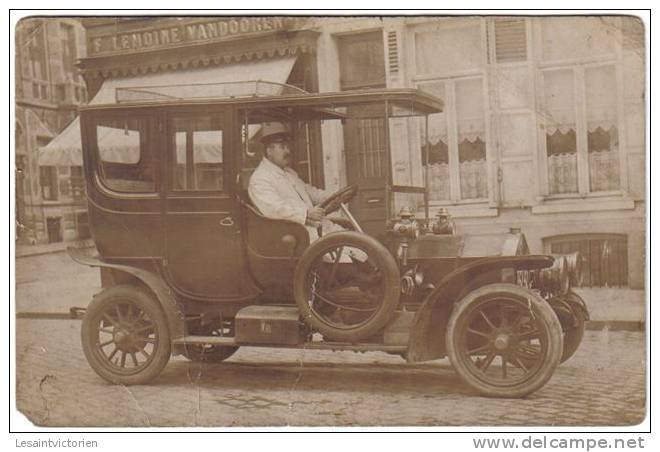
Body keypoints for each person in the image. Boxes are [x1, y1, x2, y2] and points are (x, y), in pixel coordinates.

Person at [248, 122, 346, 243]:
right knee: (349, 251)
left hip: (315, 227)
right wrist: (306, 213)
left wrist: (332, 197)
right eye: (282, 147)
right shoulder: (260, 179)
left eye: (288, 147)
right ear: (269, 151)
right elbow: (275, 209)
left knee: (355, 242)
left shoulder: (289, 173)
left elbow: (309, 191)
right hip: (296, 234)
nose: (288, 151)